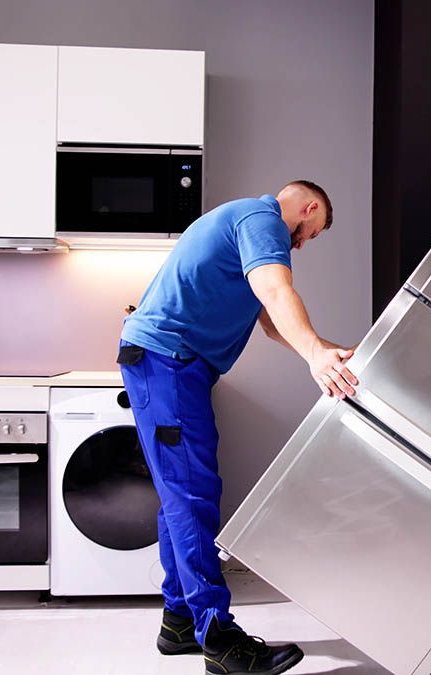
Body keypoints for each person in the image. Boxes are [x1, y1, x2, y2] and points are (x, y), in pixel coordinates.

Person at [118, 180, 359, 675]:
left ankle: (180, 620)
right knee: (192, 495)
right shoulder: (263, 221)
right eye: (310, 232)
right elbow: (275, 290)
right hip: (169, 363)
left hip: (169, 364)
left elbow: (271, 319)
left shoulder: (245, 225)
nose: (303, 242)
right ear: (309, 207)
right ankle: (221, 640)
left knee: (180, 494)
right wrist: (317, 356)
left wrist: (329, 351)